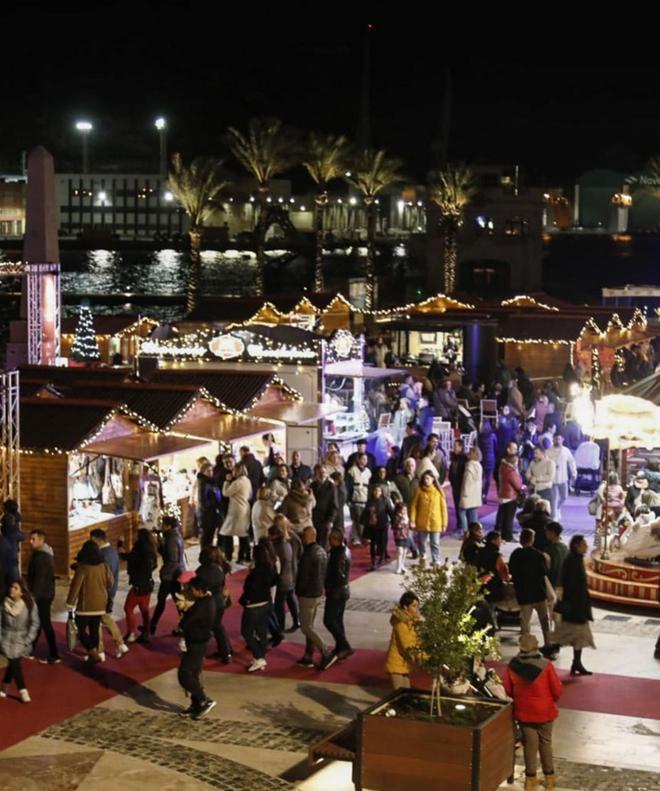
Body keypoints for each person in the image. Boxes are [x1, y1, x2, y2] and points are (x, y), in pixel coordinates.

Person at [503, 633, 562, 790]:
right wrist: (550, 701)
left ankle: (531, 781)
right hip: (545, 711)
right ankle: (549, 778)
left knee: (530, 745)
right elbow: (557, 690)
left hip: (524, 712)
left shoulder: (513, 665)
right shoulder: (546, 665)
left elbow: (507, 689)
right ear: (536, 647)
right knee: (545, 743)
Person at [66, 540, 114, 663]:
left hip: (86, 605)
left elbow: (75, 587)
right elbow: (111, 582)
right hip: (101, 603)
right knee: (94, 629)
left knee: (79, 630)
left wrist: (70, 603)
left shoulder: (83, 568)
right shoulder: (104, 565)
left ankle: (92, 651)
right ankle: (94, 653)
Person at [509, 529, 554, 658]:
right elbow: (544, 572)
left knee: (525, 623)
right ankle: (548, 644)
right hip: (539, 593)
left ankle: (525, 648)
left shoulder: (515, 555)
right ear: (532, 539)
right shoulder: (539, 555)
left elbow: (512, 571)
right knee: (544, 621)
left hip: (524, 594)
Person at [554, 534, 595, 676]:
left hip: (578, 605)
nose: (587, 547)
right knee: (575, 635)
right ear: (576, 546)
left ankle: (576, 662)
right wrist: (576, 604)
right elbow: (571, 585)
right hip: (575, 606)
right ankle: (574, 661)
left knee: (578, 636)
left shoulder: (576, 560)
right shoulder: (572, 561)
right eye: (584, 544)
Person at [295, 526, 335, 670]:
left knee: (306, 628)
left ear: (307, 537)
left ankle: (325, 651)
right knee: (310, 627)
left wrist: (299, 591)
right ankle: (308, 655)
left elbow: (303, 577)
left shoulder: (308, 554)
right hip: (318, 592)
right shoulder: (322, 551)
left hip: (308, 594)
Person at [178, 576, 216, 719]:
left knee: (185, 673)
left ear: (199, 590)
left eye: (192, 589)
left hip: (197, 641)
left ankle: (203, 699)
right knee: (193, 673)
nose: (191, 591)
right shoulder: (208, 600)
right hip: (198, 640)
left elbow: (186, 622)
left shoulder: (202, 606)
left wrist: (184, 617)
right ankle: (196, 704)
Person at [90, 529, 129, 661]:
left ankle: (100, 651)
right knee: (106, 619)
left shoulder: (103, 555)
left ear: (96, 539)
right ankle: (120, 644)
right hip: (110, 592)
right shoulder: (112, 552)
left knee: (96, 622)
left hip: (102, 593)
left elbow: (103, 576)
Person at [239, 540, 277, 673]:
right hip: (266, 603)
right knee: (262, 631)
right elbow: (274, 581)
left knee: (246, 632)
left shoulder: (255, 573)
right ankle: (260, 656)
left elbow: (248, 588)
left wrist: (247, 600)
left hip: (254, 605)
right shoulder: (270, 567)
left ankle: (259, 656)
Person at [0, 580, 39, 702]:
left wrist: (28, 639)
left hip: (21, 638)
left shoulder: (29, 604)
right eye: (11, 587)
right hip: (6, 637)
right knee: (14, 662)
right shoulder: (3, 604)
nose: (12, 589)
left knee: (14, 663)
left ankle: (4, 686)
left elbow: (35, 623)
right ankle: (23, 690)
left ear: (22, 592)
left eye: (16, 588)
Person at [26, 530, 59, 664]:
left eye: (33, 539)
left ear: (41, 540)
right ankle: (30, 649)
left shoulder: (41, 557)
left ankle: (54, 654)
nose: (30, 541)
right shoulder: (44, 554)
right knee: (39, 622)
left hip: (42, 595)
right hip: (46, 594)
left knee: (44, 623)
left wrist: (33, 596)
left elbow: (40, 579)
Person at [195, 546, 232, 663]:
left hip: (207, 603)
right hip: (219, 602)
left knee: (204, 628)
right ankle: (226, 652)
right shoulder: (219, 569)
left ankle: (200, 654)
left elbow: (198, 588)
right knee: (218, 627)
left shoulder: (201, 571)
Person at [150, 516, 184, 636]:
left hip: (171, 575)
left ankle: (152, 626)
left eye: (163, 525)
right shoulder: (175, 535)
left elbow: (172, 559)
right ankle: (183, 625)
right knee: (178, 601)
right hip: (176, 573)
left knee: (163, 600)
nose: (162, 527)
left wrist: (163, 572)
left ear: (169, 526)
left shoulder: (171, 539)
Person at [122, 528, 157, 644]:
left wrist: (120, 548)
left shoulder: (140, 549)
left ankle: (131, 633)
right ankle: (146, 632)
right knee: (144, 608)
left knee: (128, 608)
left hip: (139, 584)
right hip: (148, 582)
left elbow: (129, 557)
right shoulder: (151, 549)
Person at [323, 528, 353, 660]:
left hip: (336, 591)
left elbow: (337, 573)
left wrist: (329, 585)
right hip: (343, 590)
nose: (329, 542)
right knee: (338, 619)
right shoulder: (345, 550)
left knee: (329, 620)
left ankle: (345, 645)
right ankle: (341, 645)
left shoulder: (337, 554)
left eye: (331, 539)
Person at [410, 471, 448, 567]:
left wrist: (444, 524)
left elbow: (443, 509)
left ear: (433, 479)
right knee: (421, 542)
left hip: (435, 522)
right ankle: (423, 556)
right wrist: (412, 520)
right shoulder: (419, 491)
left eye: (428, 478)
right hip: (421, 522)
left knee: (435, 543)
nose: (426, 481)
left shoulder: (438, 492)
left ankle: (436, 560)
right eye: (425, 478)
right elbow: (414, 506)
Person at [385, 591, 421, 689]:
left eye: (417, 606)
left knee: (405, 693)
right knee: (399, 694)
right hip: (397, 663)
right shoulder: (401, 623)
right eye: (414, 606)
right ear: (405, 607)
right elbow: (407, 645)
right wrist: (422, 657)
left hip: (404, 663)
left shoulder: (412, 621)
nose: (417, 609)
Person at [220, 463, 252, 564]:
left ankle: (229, 554)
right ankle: (245, 556)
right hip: (245, 508)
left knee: (226, 532)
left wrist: (227, 481)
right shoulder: (247, 481)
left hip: (236, 510)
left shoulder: (237, 482)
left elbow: (226, 493)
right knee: (242, 534)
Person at [476, 531, 510, 626]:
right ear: (493, 541)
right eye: (499, 539)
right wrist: (508, 578)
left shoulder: (480, 552)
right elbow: (504, 573)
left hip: (479, 585)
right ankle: (491, 630)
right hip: (493, 588)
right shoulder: (497, 556)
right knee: (490, 611)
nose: (500, 542)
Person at [362, 484, 394, 570]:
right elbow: (365, 513)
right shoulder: (370, 501)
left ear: (381, 492)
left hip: (383, 525)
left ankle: (382, 556)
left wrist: (394, 523)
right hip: (372, 526)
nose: (377, 492)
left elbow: (390, 512)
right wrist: (363, 522)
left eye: (379, 491)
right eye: (375, 490)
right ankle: (373, 561)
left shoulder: (385, 501)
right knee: (373, 544)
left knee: (383, 542)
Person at [547, 434, 576, 521]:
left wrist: (574, 472)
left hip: (563, 477)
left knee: (564, 496)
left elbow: (571, 461)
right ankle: (554, 516)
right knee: (553, 498)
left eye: (559, 439)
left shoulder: (566, 451)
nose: (557, 441)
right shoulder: (548, 451)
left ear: (562, 440)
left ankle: (557, 508)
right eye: (556, 439)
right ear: (553, 439)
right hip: (552, 479)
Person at [496, 453, 524, 542]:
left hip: (503, 495)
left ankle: (504, 535)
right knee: (509, 518)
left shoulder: (502, 468)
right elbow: (518, 485)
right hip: (510, 496)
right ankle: (508, 537)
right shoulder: (510, 471)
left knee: (505, 517)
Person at [310, 465, 339, 549]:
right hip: (314, 519)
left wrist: (330, 520)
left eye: (324, 472)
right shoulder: (312, 486)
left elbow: (334, 506)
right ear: (316, 473)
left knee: (325, 544)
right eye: (320, 472)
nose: (322, 474)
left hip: (326, 520)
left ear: (327, 474)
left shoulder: (331, 487)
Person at [346, 454, 371, 547]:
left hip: (365, 498)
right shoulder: (352, 470)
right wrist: (348, 499)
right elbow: (348, 485)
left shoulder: (368, 472)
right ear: (358, 460)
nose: (365, 461)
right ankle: (357, 538)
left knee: (364, 519)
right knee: (357, 519)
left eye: (366, 459)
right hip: (355, 499)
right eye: (363, 459)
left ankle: (360, 536)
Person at [197, 462, 221, 548]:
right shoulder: (203, 483)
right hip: (207, 515)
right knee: (206, 537)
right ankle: (206, 553)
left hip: (211, 513)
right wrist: (214, 502)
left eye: (211, 470)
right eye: (208, 471)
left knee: (210, 536)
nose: (210, 472)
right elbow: (202, 500)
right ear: (203, 472)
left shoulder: (211, 482)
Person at [1, 499, 25, 584]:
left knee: (12, 580)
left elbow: (13, 534)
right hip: (12, 551)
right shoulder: (14, 519)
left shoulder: (8, 519)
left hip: (8, 550)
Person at [459, 447, 483, 533]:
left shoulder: (469, 466)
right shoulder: (479, 466)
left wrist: (464, 492)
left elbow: (467, 481)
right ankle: (475, 531)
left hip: (468, 493)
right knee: (474, 514)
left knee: (462, 512)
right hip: (476, 493)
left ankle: (466, 531)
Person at [448, 438, 467, 533]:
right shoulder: (454, 458)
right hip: (455, 486)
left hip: (461, 486)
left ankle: (463, 526)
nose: (454, 448)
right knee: (456, 505)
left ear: (461, 447)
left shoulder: (464, 459)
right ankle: (459, 524)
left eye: (456, 446)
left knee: (461, 507)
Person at [392, 501, 415, 573]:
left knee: (405, 551)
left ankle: (402, 565)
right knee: (400, 551)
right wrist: (401, 523)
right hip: (399, 536)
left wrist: (411, 525)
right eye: (403, 510)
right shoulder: (396, 517)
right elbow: (394, 526)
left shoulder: (407, 517)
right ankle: (398, 567)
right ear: (399, 510)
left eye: (405, 510)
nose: (404, 511)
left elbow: (410, 526)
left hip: (406, 535)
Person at [478, 420, 497, 503]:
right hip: (490, 459)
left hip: (481, 459)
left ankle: (479, 494)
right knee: (488, 478)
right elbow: (496, 447)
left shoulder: (479, 436)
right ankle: (484, 494)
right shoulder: (493, 436)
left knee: (481, 478)